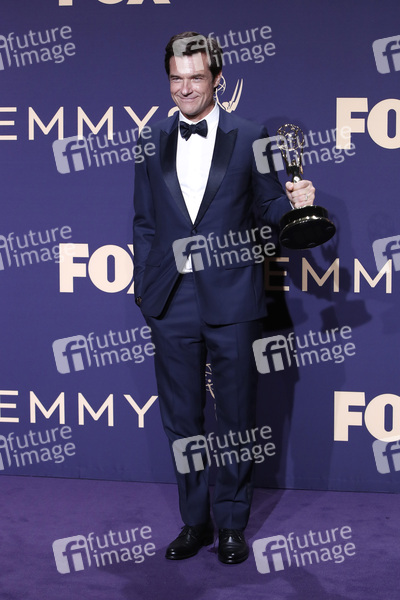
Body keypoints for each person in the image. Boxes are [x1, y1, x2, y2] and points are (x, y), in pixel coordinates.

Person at [133, 31, 315, 564]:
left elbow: (268, 210)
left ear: (217, 79)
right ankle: (195, 522)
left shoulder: (250, 134)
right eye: (176, 78)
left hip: (233, 296)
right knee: (181, 422)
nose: (185, 88)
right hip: (171, 298)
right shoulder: (151, 139)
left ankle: (232, 524)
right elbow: (144, 222)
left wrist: (295, 203)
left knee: (235, 419)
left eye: (196, 77)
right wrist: (147, 288)